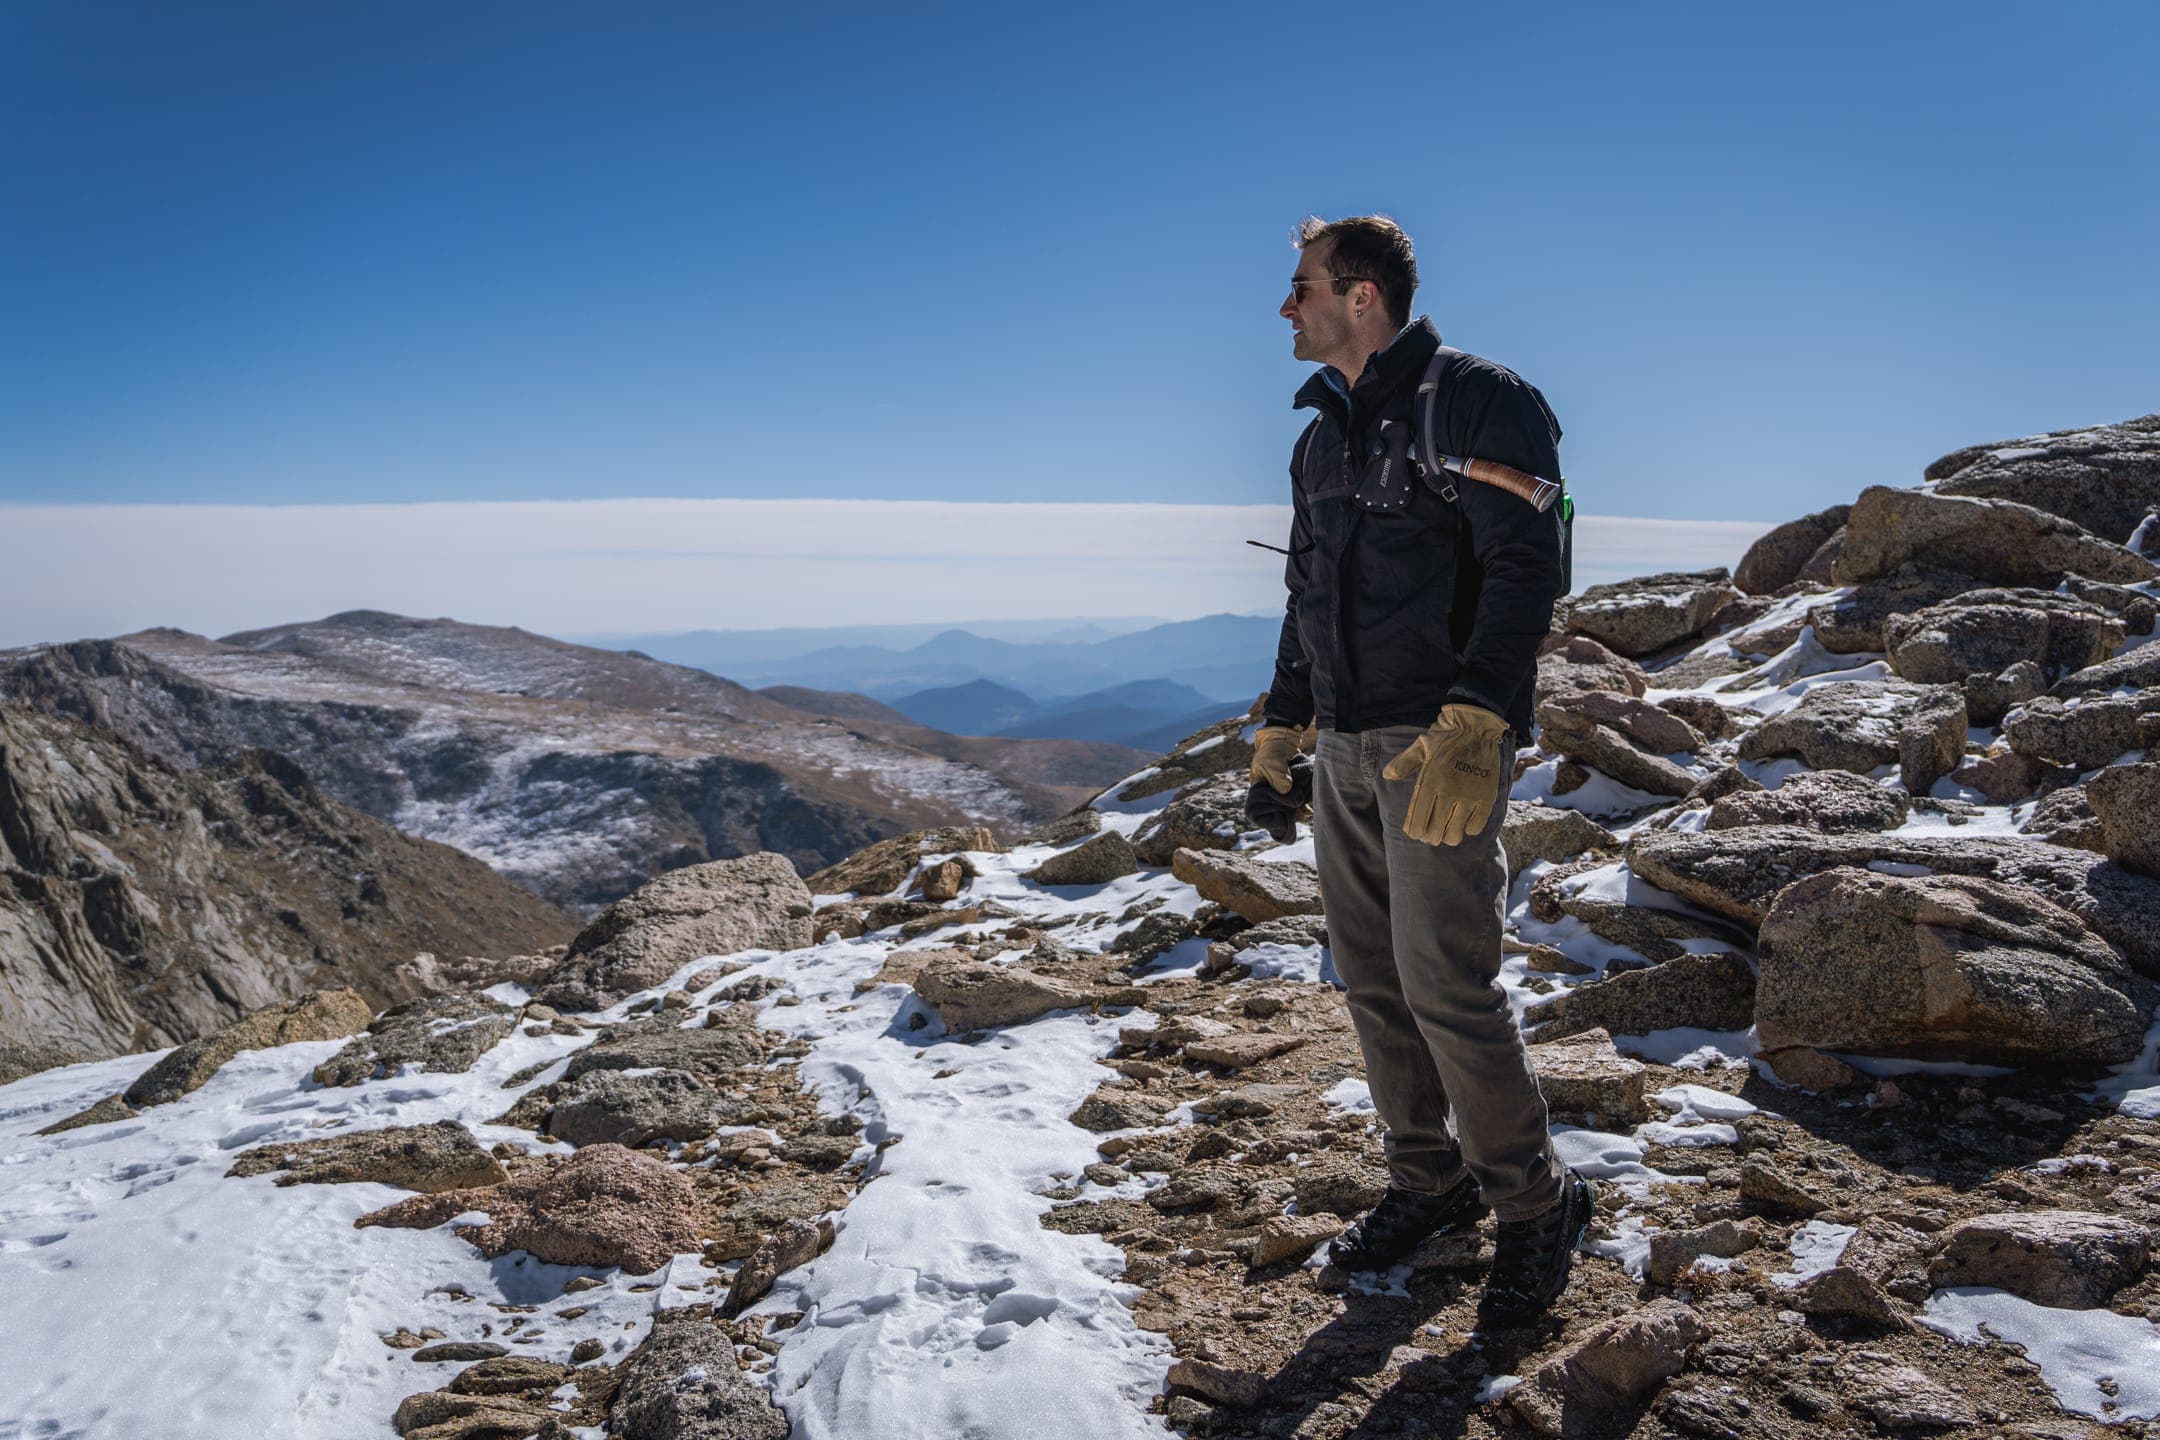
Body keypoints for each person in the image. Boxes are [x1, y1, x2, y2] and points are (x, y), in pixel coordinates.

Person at [1247, 214, 1591, 1327]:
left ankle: (1537, 1208)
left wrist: (1480, 716)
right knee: (1373, 982)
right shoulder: (1319, 441)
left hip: (1437, 745)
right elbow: (1308, 598)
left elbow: (1524, 565)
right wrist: (1283, 729)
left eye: (1299, 287)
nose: (1284, 307)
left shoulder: (1479, 398)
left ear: (1360, 296)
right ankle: (1427, 1185)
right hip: (1347, 744)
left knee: (1447, 983)